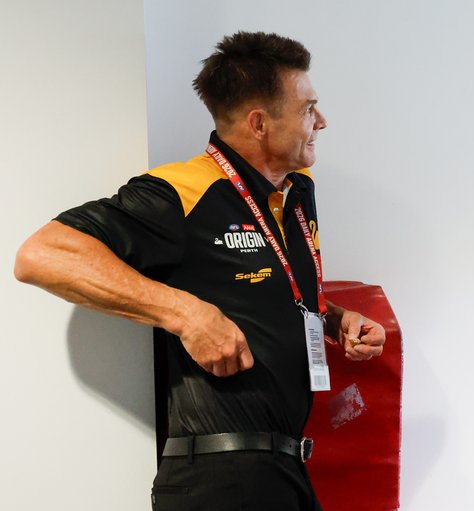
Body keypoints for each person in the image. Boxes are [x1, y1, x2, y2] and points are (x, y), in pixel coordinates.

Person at [14, 31, 385, 511]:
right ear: (259, 123)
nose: (322, 121)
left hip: (286, 469)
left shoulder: (298, 191)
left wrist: (334, 319)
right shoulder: (180, 190)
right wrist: (184, 313)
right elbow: (41, 255)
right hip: (220, 478)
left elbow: (265, 285)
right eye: (307, 109)